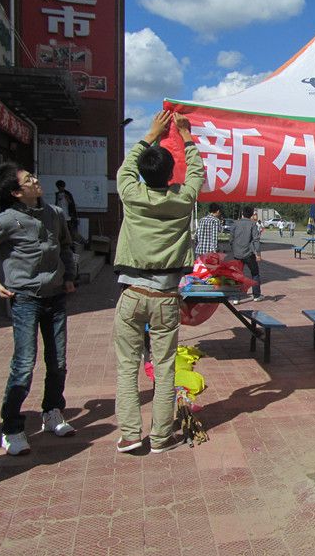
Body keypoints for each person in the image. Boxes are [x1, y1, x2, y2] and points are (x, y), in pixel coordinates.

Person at [113, 111, 204, 454]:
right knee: (164, 367)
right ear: (171, 175)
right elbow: (196, 172)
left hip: (132, 293)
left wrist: (151, 133)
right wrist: (186, 137)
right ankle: (162, 437)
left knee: (127, 367)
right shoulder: (182, 200)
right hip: (166, 296)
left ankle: (131, 435)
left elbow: (126, 167)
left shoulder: (131, 194)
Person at [0, 164, 77, 455]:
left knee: (58, 361)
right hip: (25, 299)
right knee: (24, 365)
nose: (36, 181)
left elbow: (65, 245)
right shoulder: (6, 220)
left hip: (56, 297)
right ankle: (12, 428)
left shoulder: (54, 213)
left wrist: (70, 275)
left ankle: (52, 412)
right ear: (16, 192)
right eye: (28, 180)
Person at [229, 206, 263, 303]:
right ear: (252, 214)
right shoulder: (253, 224)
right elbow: (256, 239)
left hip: (237, 254)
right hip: (249, 254)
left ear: (242, 213)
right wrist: (258, 253)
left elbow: (231, 239)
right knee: (255, 273)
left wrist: (234, 248)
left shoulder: (235, 224)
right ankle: (256, 295)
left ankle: (236, 298)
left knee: (237, 275)